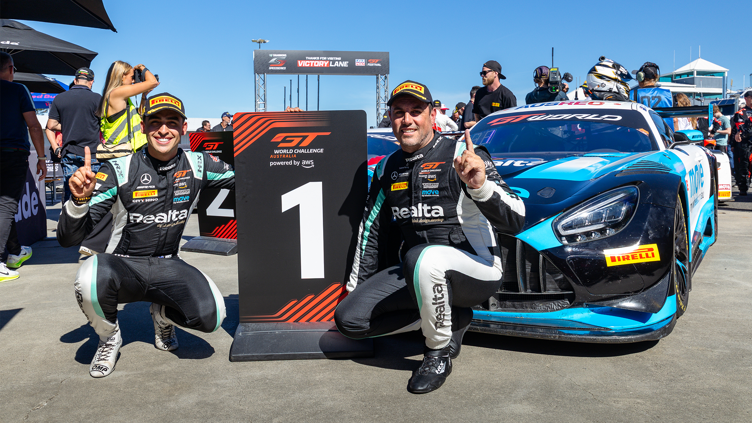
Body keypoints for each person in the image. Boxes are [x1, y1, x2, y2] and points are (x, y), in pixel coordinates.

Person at [334, 80, 525, 394]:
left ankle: (438, 353)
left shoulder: (463, 154)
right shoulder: (386, 168)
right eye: (399, 112)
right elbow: (371, 231)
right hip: (417, 271)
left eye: (416, 111)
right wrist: (355, 289)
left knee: (422, 256)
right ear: (390, 118)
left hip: (477, 270)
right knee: (350, 320)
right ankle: (454, 318)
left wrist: (481, 186)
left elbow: (516, 218)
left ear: (432, 115)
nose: (407, 120)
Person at [57, 93, 235, 378]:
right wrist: (78, 201)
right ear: (143, 127)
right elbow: (68, 239)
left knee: (212, 318)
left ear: (184, 127)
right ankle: (109, 338)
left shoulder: (199, 164)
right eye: (155, 122)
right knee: (88, 276)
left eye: (172, 122)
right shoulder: (119, 168)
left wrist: (289, 128)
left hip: (169, 264)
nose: (163, 130)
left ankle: (162, 315)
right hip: (122, 266)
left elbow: (249, 176)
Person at [0, 52, 46, 282]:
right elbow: (34, 126)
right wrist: (41, 157)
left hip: (10, 153)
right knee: (6, 205)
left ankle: (15, 251)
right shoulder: (18, 90)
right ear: (10, 69)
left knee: (3, 206)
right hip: (12, 153)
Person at [45, 67, 103, 203]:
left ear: (75, 80)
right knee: (93, 193)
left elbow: (51, 125)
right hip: (92, 154)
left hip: (70, 153)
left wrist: (68, 126)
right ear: (91, 82)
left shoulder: (60, 98)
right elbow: (104, 125)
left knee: (72, 191)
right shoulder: (98, 99)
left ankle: (70, 216)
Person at [630, 62, 673, 130]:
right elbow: (675, 120)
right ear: (656, 77)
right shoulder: (667, 93)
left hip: (643, 133)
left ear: (641, 77)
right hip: (664, 133)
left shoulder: (633, 94)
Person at [731, 91, 752, 196]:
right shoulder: (740, 113)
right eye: (751, 97)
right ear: (746, 98)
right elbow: (738, 129)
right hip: (744, 144)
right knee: (743, 166)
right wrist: (733, 144)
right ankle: (743, 188)